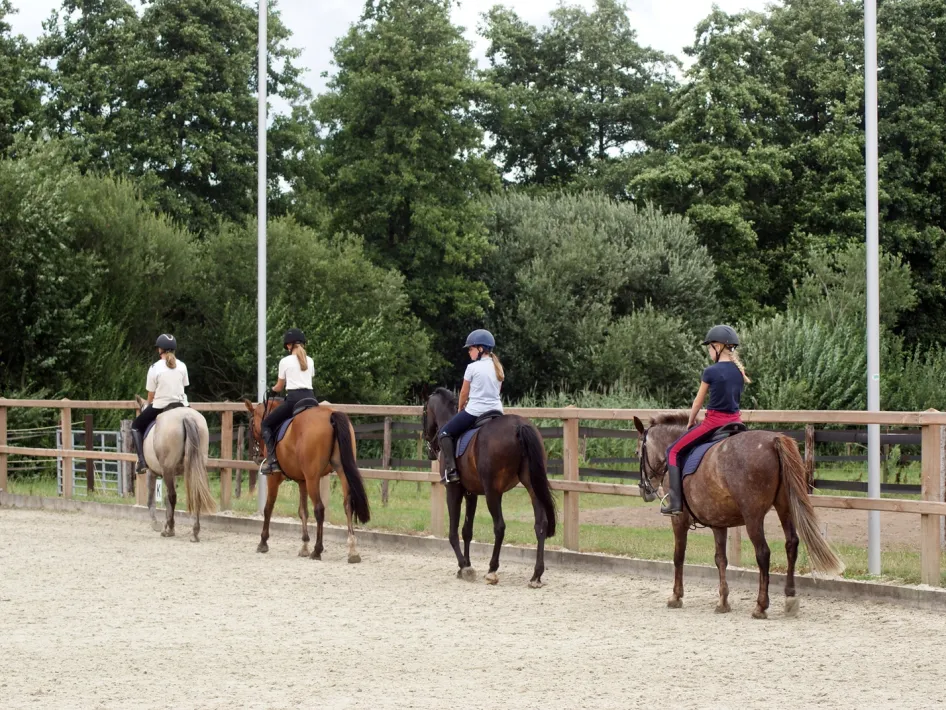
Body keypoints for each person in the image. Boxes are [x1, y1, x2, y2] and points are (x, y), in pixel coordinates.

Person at [662, 324, 751, 515]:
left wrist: (690, 421)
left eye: (710, 347)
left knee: (673, 451)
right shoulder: (739, 372)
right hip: (737, 423)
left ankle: (675, 504)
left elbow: (697, 402)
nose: (709, 352)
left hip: (714, 423)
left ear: (718, 347)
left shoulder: (710, 371)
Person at [438, 329, 505, 484]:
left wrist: (461, 408)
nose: (469, 352)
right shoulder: (498, 367)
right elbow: (497, 391)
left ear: (481, 349)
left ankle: (452, 471)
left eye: (471, 349)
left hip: (475, 411)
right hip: (496, 411)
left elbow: (463, 393)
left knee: (444, 433)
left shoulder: (472, 368)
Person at [260, 328, 317, 475]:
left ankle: (272, 461)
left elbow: (279, 387)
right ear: (303, 344)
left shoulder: (285, 361)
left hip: (294, 400)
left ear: (288, 345)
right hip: (311, 399)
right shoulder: (310, 360)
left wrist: (272, 390)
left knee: (266, 424)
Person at [131, 334, 190, 473]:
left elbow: (151, 394)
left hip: (161, 406)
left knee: (135, 426)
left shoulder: (154, 368)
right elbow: (184, 386)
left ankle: (142, 461)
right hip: (182, 405)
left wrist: (148, 404)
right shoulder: (182, 366)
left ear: (160, 350)